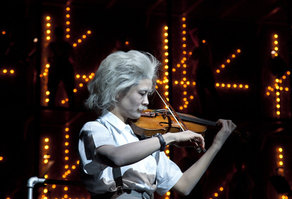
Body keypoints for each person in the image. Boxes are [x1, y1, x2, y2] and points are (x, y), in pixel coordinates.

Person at [78, 50, 236, 199]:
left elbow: (184, 185)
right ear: (118, 91)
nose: (146, 102)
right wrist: (168, 138)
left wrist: (217, 144)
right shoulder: (96, 128)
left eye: (148, 94)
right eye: (142, 93)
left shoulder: (143, 140)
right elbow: (116, 157)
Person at [189, 27, 220, 118]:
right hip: (204, 71)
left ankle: (205, 113)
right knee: (208, 93)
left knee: (203, 94)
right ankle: (214, 111)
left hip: (202, 71)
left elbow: (194, 58)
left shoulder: (201, 48)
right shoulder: (205, 47)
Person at [47, 26, 75, 108]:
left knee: (52, 91)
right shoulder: (67, 45)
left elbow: (49, 58)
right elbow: (73, 57)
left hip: (56, 69)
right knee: (69, 92)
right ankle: (71, 108)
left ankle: (50, 109)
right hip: (65, 69)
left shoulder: (52, 45)